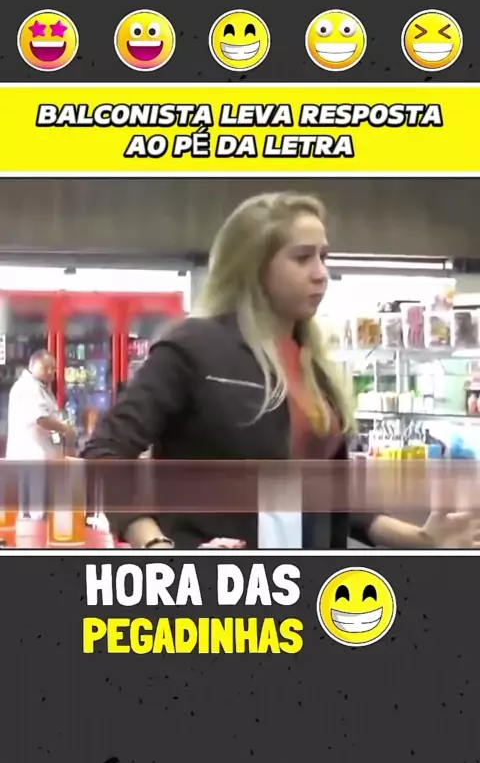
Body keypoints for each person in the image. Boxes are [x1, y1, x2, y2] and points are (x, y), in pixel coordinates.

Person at [81, 192, 480, 550]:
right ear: (253, 268)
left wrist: (420, 540)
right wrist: (155, 544)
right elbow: (104, 454)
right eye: (302, 258)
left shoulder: (314, 365)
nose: (321, 273)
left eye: (324, 257)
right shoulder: (193, 347)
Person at [6, 349, 76, 518]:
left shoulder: (41, 387)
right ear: (32, 365)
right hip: (31, 456)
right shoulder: (28, 388)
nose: (51, 372)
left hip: (42, 456)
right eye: (45, 368)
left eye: (53, 368)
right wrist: (65, 429)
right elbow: (41, 419)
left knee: (39, 509)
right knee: (35, 512)